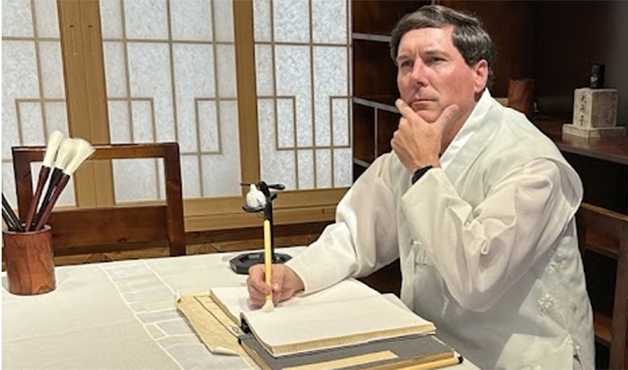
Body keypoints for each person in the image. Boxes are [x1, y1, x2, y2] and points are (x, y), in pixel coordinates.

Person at [247, 5, 594, 369]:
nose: (417, 77)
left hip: (515, 357)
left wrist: (426, 170)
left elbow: (479, 280)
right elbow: (356, 234)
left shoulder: (530, 162)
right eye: (405, 64)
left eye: (435, 60)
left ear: (479, 74)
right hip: (429, 343)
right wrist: (295, 275)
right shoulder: (418, 144)